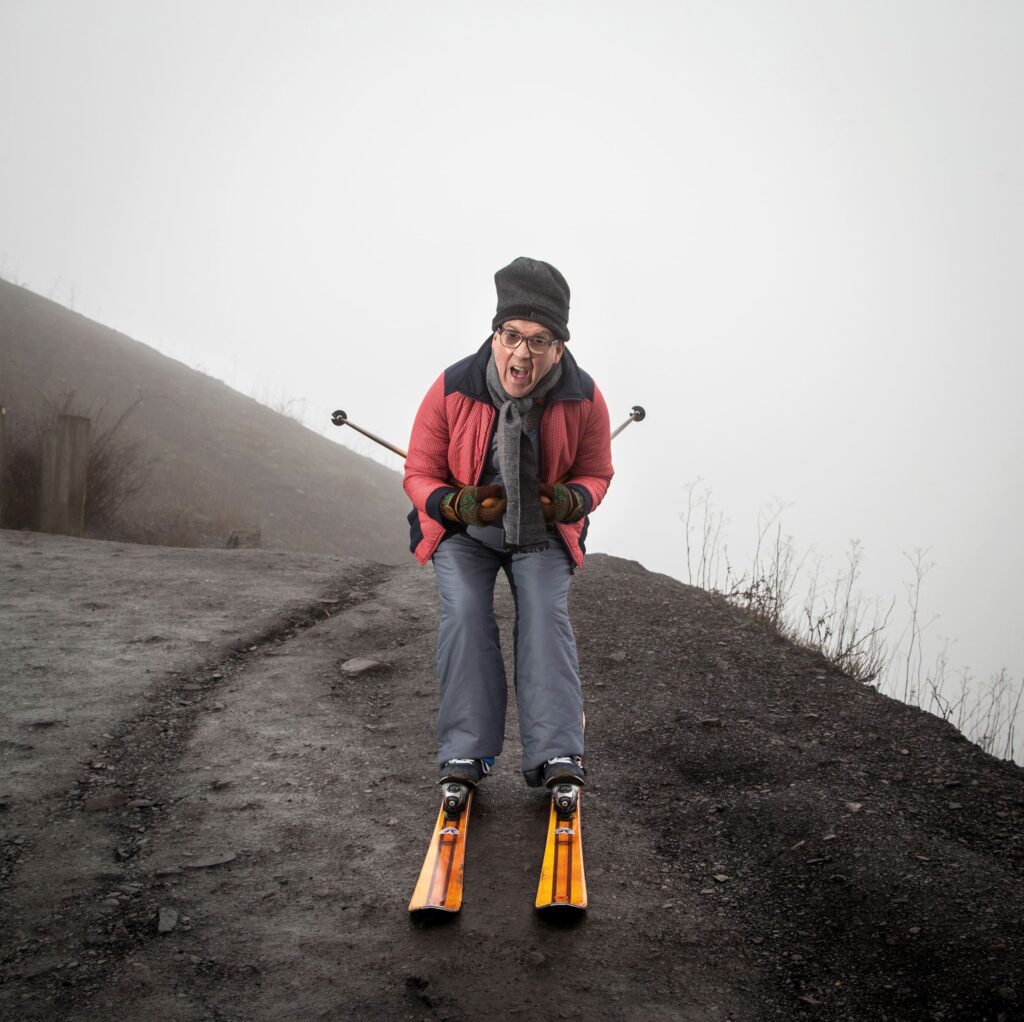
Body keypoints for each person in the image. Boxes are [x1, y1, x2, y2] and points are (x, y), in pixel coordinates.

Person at [404, 257, 614, 794]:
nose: (522, 353)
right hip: (464, 534)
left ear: (559, 347)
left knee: (545, 614)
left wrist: (569, 499)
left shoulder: (585, 398)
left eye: (539, 340)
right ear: (495, 333)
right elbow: (419, 473)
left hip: (541, 532)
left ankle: (558, 752)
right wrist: (458, 505)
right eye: (512, 335)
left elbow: (597, 473)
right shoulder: (452, 387)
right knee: (465, 614)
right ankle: (465, 752)